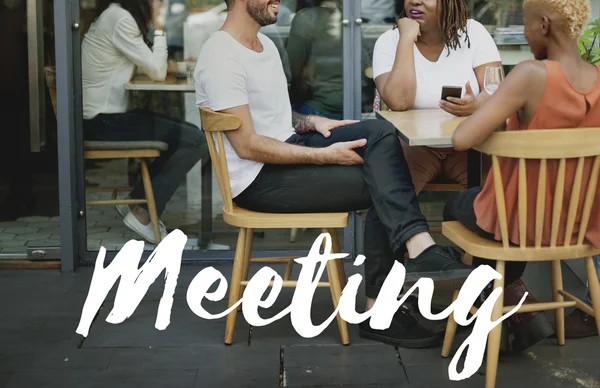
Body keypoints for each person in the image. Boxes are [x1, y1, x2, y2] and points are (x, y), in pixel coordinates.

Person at [194, 0, 473, 349]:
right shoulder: (221, 56)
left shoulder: (263, 44)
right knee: (384, 182)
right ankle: (380, 307)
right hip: (258, 181)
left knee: (379, 132)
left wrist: (310, 122)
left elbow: (271, 119)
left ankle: (415, 252)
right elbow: (247, 145)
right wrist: (323, 156)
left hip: (283, 150)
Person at [446, 0, 599, 352]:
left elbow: (461, 139)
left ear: (543, 25)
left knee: (456, 206)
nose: (526, 32)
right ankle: (516, 307)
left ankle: (506, 307)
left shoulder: (531, 75)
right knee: (506, 225)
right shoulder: (598, 80)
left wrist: (494, 111)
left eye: (527, 24)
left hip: (523, 225)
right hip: (576, 223)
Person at [81, 0, 208, 244]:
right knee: (194, 140)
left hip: (103, 118)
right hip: (105, 122)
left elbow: (142, 66)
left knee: (188, 136)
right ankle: (141, 210)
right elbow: (156, 72)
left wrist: (174, 66)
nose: (160, 2)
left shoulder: (112, 15)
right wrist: (160, 27)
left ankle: (140, 201)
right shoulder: (120, 19)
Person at [372, 0, 503, 194]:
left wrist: (477, 105)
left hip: (469, 144)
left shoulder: (474, 33)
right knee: (392, 199)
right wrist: (406, 40)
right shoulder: (388, 41)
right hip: (414, 149)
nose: (415, 1)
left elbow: (496, 89)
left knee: (498, 199)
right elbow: (399, 102)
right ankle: (414, 226)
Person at [286, 0, 374, 120]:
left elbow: (291, 71)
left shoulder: (306, 18)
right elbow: (364, 68)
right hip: (356, 109)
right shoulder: (350, 19)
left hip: (318, 110)